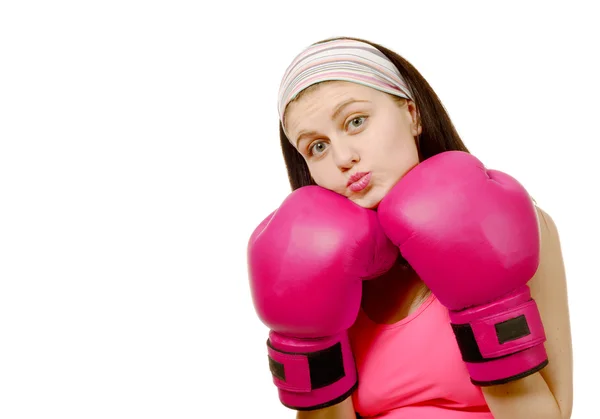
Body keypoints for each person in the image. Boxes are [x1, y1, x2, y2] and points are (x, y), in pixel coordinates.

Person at [247, 37, 573, 418]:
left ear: (411, 113)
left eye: (356, 122)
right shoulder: (321, 259)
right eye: (316, 146)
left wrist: (488, 309)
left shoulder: (518, 226)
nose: (343, 157)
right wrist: (312, 344)